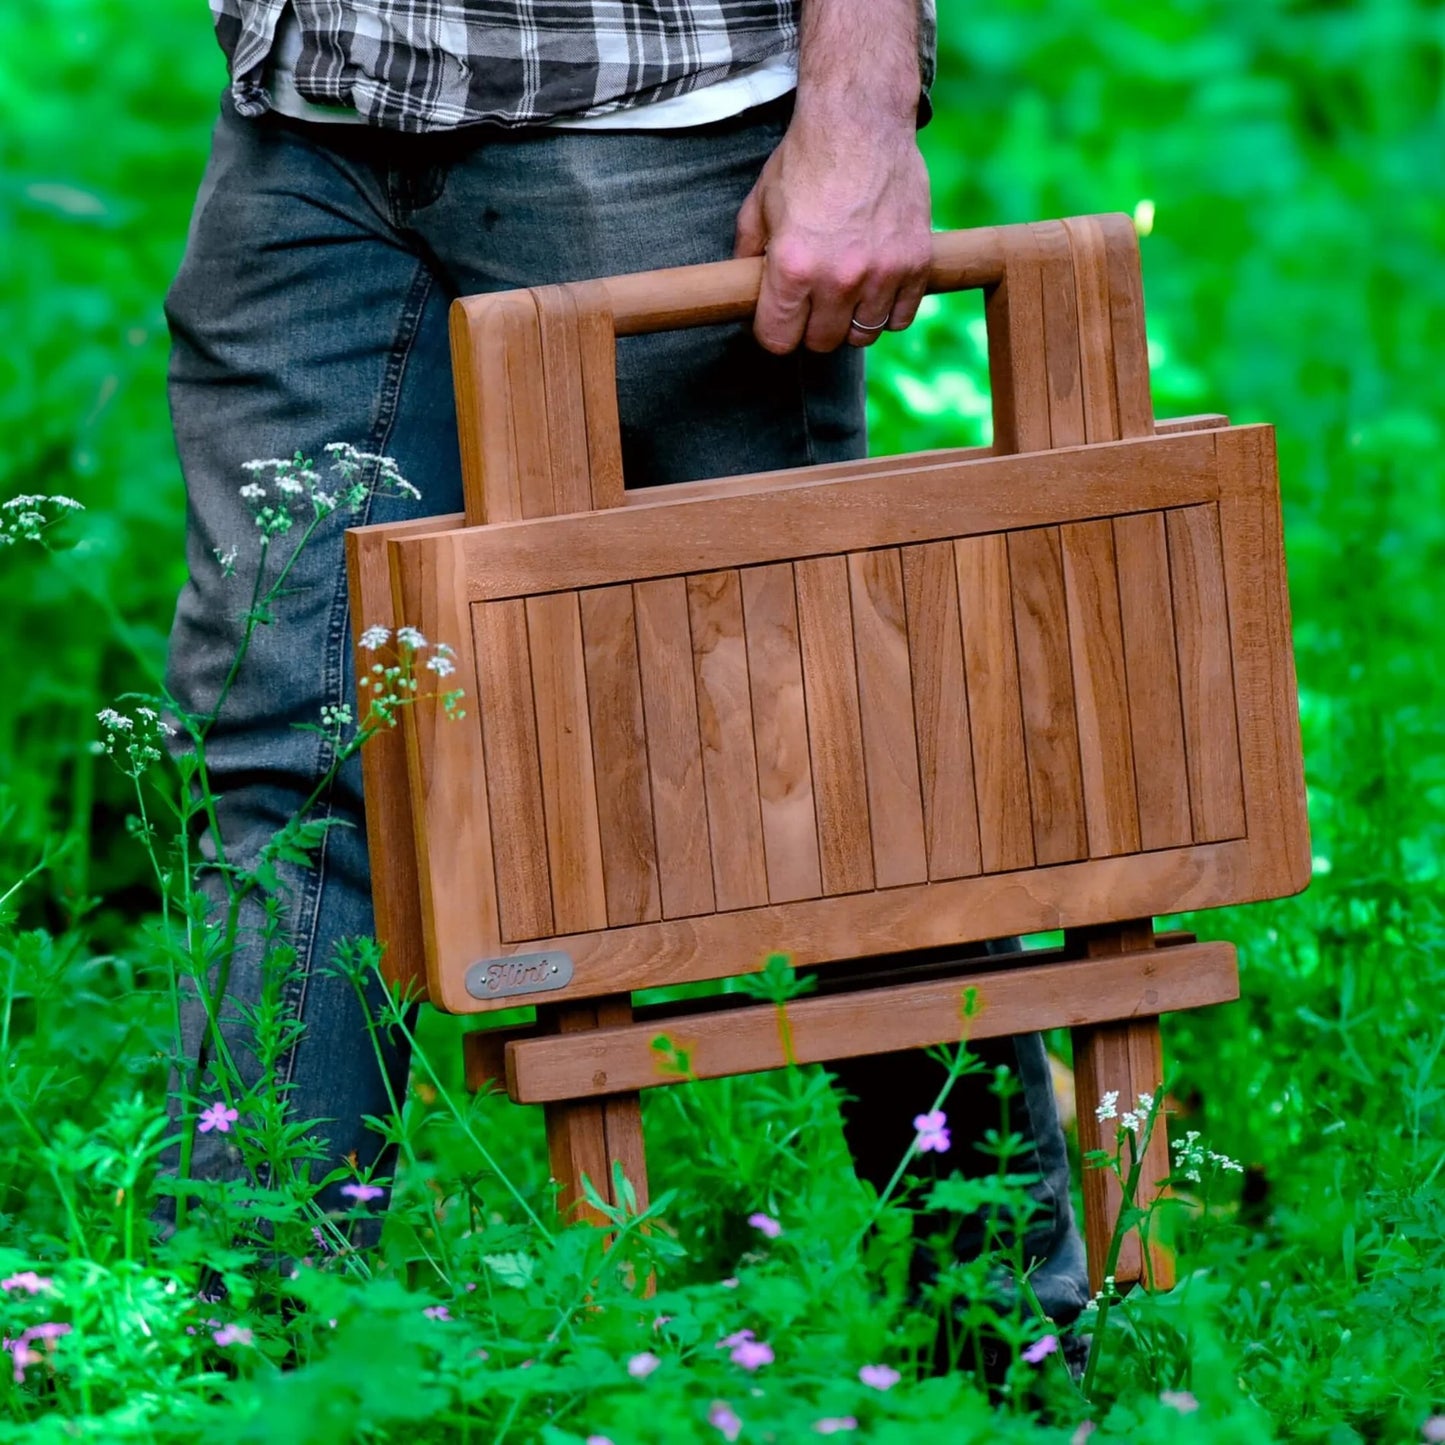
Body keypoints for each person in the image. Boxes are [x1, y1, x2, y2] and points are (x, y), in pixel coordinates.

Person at [164, 0, 1088, 1333]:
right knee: (286, 762)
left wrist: (859, 109)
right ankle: (254, 1354)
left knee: (825, 761)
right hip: (306, 122)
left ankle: (1008, 1333)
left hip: (661, 133)